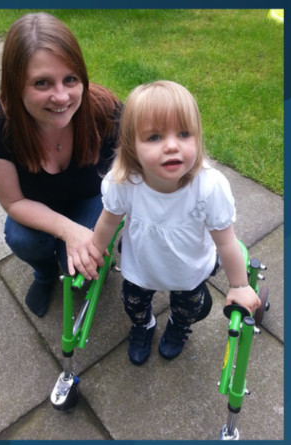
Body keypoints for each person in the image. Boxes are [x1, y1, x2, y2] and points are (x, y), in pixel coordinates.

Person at [89, 80, 261, 365]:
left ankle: (178, 327)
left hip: (188, 271)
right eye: (154, 137)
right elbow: (108, 222)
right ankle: (143, 326)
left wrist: (240, 285)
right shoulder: (123, 183)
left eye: (184, 134)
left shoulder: (208, 187)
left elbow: (227, 241)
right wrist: (95, 250)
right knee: (133, 304)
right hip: (141, 267)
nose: (171, 146)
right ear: (131, 145)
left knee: (188, 308)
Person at [0, 12, 122, 317]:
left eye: (71, 79)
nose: (62, 96)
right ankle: (44, 274)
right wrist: (69, 231)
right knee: (22, 238)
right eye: (42, 83)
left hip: (92, 201)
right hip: (34, 207)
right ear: (15, 85)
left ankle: (70, 262)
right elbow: (13, 201)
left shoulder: (106, 112)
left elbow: (135, 174)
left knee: (80, 267)